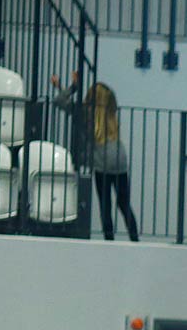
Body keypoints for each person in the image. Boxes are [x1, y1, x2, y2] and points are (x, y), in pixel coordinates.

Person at [52, 77, 138, 243]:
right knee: (124, 204)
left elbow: (60, 101)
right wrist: (60, 86)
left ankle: (109, 241)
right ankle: (135, 240)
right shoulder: (109, 113)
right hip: (120, 159)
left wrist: (72, 87)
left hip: (102, 162)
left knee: (105, 206)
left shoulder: (86, 113)